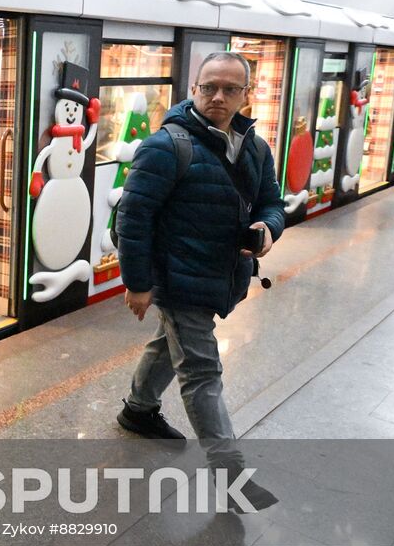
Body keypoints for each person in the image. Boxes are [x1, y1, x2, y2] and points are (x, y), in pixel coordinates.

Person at [113, 52, 286, 508]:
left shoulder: (255, 147)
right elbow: (133, 217)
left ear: (246, 95)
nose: (218, 96)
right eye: (209, 87)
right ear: (194, 89)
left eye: (230, 88)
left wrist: (268, 229)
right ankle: (230, 477)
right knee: (202, 370)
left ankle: (138, 410)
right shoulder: (166, 145)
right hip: (178, 277)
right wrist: (138, 282)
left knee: (167, 344)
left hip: (221, 274)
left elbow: (272, 202)